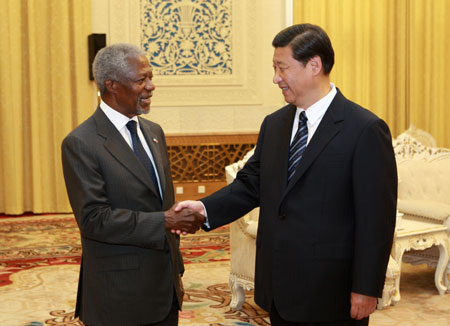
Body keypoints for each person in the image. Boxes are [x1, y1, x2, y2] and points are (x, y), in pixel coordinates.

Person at [176, 24, 397, 326]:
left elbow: (377, 220)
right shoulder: (275, 124)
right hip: (279, 287)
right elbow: (251, 184)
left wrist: (366, 287)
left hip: (332, 292)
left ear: (314, 65)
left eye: (282, 68)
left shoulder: (364, 130)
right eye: (274, 68)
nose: (275, 78)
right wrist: (203, 209)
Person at [61, 43, 205, 326]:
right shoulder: (81, 143)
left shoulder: (153, 132)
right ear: (112, 85)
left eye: (150, 77)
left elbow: (159, 201)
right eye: (141, 80)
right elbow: (93, 220)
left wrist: (175, 272)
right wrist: (164, 220)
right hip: (118, 295)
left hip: (164, 289)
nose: (151, 86)